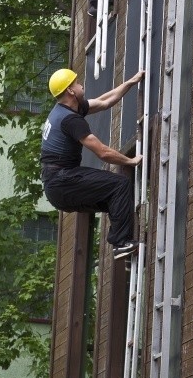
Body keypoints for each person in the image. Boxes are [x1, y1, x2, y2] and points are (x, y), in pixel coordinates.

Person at [40, 67, 144, 260]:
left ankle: (127, 252)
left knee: (116, 201)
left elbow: (106, 101)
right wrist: (131, 161)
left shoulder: (68, 109)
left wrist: (131, 82)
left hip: (57, 185)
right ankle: (121, 244)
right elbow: (103, 152)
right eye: (77, 83)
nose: (81, 86)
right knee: (119, 185)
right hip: (62, 180)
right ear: (71, 91)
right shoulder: (70, 119)